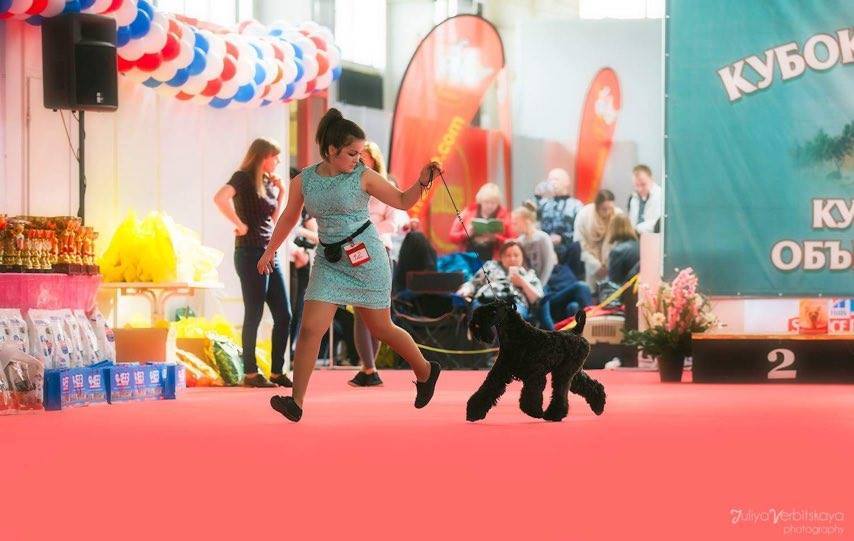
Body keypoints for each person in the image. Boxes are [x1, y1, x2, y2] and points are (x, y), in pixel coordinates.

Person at [258, 108, 442, 422]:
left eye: (359, 153)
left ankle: (426, 370)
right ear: (331, 150)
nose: (358, 159)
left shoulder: (363, 176)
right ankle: (296, 402)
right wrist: (269, 251)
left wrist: (423, 181)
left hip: (367, 258)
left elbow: (401, 200)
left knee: (381, 328)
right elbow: (288, 217)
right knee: (310, 329)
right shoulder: (304, 180)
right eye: (352, 153)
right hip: (329, 261)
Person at [213, 138, 291, 388]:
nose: (278, 161)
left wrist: (282, 193)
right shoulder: (243, 177)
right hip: (250, 252)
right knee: (254, 312)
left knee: (284, 314)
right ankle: (250, 372)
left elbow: (273, 220)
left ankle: (277, 371)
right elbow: (220, 198)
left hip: (269, 252)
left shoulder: (267, 182)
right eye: (275, 157)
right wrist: (239, 224)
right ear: (263, 156)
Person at [349, 141, 408, 388]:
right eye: (357, 156)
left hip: (381, 250)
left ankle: (369, 368)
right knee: (361, 310)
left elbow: (393, 223)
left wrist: (368, 229)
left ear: (375, 160)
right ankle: (368, 367)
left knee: (379, 312)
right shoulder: (349, 185)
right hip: (356, 250)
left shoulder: (387, 187)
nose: (360, 161)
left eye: (365, 157)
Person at [456, 240, 543, 320]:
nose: (512, 259)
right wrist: (465, 289)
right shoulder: (490, 266)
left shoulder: (529, 274)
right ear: (501, 257)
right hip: (485, 300)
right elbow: (473, 283)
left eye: (516, 255)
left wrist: (522, 283)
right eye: (508, 255)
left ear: (522, 257)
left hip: (515, 304)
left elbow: (537, 300)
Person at [288, 167, 318, 355]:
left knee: (298, 307)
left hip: (303, 259)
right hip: (289, 258)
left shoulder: (306, 206)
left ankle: (291, 349)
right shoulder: (282, 202)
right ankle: (287, 349)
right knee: (288, 307)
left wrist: (304, 251)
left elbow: (317, 236)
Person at [448, 182, 514, 262]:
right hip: (469, 257)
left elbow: (513, 242)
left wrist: (496, 238)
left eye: (493, 203)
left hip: (494, 259)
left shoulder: (505, 216)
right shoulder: (468, 212)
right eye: (486, 202)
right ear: (480, 201)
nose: (490, 206)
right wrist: (465, 234)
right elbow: (452, 237)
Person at [573, 189, 622, 290]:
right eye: (604, 209)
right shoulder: (584, 215)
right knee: (591, 292)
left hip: (611, 265)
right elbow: (579, 244)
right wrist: (595, 266)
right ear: (597, 206)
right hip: (589, 263)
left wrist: (609, 264)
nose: (608, 212)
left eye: (610, 208)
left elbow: (621, 243)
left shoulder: (618, 215)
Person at [537, 168, 583, 265]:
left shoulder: (576, 206)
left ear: (566, 182)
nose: (552, 183)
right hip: (545, 251)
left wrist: (562, 238)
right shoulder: (543, 205)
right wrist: (537, 196)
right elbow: (532, 221)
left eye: (556, 179)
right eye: (549, 180)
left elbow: (581, 233)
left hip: (568, 252)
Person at [511, 202, 557, 285]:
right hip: (530, 284)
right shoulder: (520, 241)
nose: (513, 227)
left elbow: (548, 265)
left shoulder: (543, 238)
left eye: (515, 223)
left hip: (548, 282)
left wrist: (540, 286)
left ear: (527, 221)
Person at [605, 213, 640, 285]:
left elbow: (614, 283)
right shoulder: (640, 246)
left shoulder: (617, 252)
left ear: (613, 229)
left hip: (624, 290)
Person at [626, 165, 662, 234]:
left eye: (643, 184)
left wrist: (637, 229)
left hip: (653, 236)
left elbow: (658, 222)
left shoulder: (660, 195)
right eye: (636, 185)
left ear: (651, 179)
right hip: (635, 236)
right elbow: (632, 222)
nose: (640, 189)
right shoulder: (633, 198)